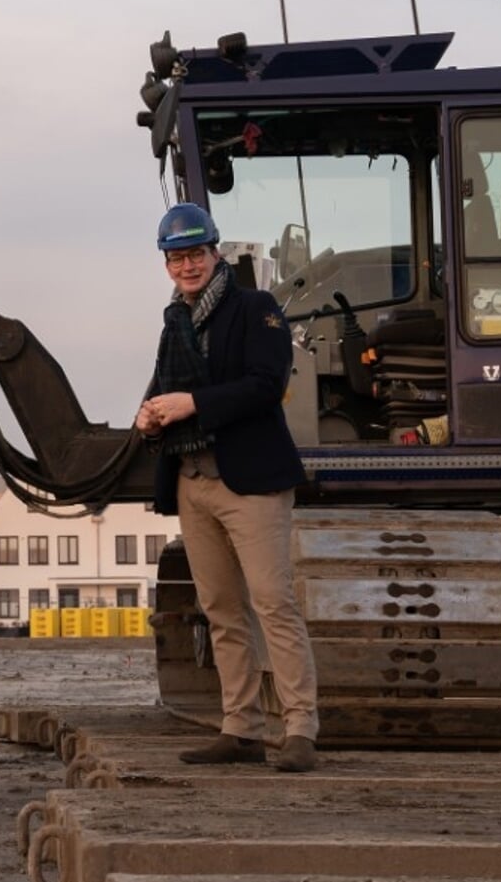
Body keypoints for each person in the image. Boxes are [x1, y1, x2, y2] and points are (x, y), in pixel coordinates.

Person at [136, 203, 320, 773]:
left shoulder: (255, 309)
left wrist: (193, 404)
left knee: (273, 604)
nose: (186, 266)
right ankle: (239, 727)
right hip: (194, 481)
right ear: (167, 264)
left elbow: (266, 385)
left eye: (195, 254)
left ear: (216, 254)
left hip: (251, 485)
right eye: (176, 258)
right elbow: (164, 390)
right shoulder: (174, 326)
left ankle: (300, 729)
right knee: (221, 610)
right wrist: (149, 419)